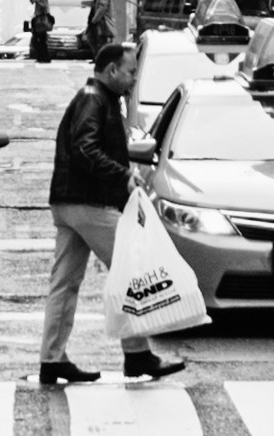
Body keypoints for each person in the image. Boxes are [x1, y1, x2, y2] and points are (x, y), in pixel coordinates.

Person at [36, 36, 184, 387]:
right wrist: (123, 176)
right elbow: (85, 148)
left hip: (70, 203)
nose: (134, 79)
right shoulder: (95, 100)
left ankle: (52, 360)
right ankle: (137, 355)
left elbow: (86, 148)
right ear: (112, 70)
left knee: (65, 284)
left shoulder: (98, 99)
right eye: (131, 72)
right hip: (89, 203)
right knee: (130, 274)